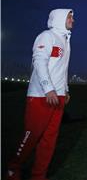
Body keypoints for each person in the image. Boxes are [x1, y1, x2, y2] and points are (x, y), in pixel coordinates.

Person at [6, 9, 74, 180]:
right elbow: (39, 61)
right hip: (40, 95)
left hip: (57, 96)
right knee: (32, 135)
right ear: (59, 19)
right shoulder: (46, 36)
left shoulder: (66, 41)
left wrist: (65, 90)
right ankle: (13, 168)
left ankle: (39, 175)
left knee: (49, 139)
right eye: (69, 17)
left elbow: (62, 69)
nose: (73, 20)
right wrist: (48, 89)